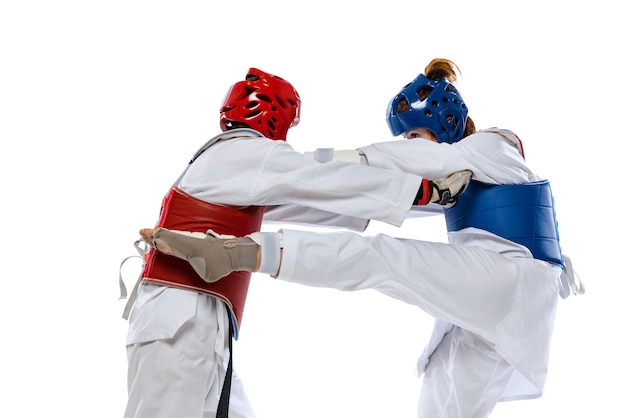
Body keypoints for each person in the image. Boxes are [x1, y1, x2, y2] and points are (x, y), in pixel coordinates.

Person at [138, 58, 583, 417]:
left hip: (507, 277)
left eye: (413, 131)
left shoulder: (490, 147)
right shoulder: (461, 172)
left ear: (442, 120)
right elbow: (366, 196)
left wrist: (310, 163)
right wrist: (295, 177)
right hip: (497, 301)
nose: (409, 142)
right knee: (442, 399)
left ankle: (243, 253)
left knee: (380, 259)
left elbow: (401, 165)